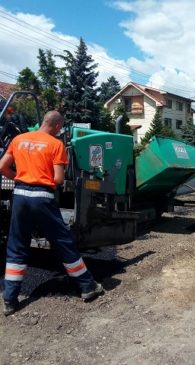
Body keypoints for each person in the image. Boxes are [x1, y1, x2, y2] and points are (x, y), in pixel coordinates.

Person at [0, 110, 103, 316]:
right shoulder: (56, 145)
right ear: (57, 126)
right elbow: (57, 180)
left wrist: (20, 176)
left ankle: (10, 300)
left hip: (19, 195)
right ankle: (87, 287)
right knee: (63, 242)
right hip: (42, 198)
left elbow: (2, 167)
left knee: (17, 245)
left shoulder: (19, 139)